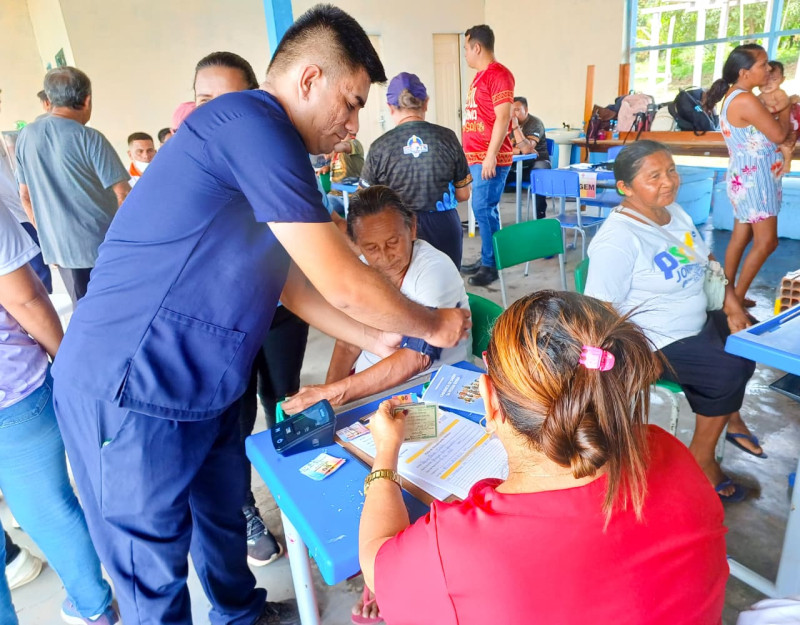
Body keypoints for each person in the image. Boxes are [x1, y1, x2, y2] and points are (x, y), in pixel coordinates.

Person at [51, 7, 470, 625]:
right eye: (350, 103)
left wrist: (380, 336)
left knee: (219, 514)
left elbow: (292, 282)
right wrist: (431, 324)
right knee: (153, 577)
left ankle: (238, 613)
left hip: (207, 382)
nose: (353, 125)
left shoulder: (280, 156)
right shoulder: (250, 123)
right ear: (307, 80)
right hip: (134, 385)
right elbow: (340, 276)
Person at [358, 290, 728, 624]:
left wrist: (386, 451)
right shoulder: (665, 449)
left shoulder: (455, 549)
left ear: (490, 399)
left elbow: (376, 565)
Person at [585, 140, 759, 502]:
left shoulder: (673, 211)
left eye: (671, 171)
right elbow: (599, 312)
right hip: (657, 340)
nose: (669, 182)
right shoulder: (617, 240)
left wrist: (732, 305)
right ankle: (701, 457)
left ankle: (729, 414)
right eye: (654, 176)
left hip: (699, 318)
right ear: (625, 188)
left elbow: (705, 257)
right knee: (728, 368)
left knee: (752, 337)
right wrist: (628, 361)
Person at [187, 49, 290, 567]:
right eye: (206, 101)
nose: (218, 114)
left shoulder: (273, 159)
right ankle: (245, 509)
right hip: (229, 326)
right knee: (234, 419)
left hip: (281, 314)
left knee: (285, 399)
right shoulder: (188, 171)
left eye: (230, 101)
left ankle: (295, 489)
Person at [0, 204, 118, 625]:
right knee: (50, 508)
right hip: (13, 393)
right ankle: (93, 609)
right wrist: (66, 366)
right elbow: (25, 298)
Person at [283, 185, 470, 414]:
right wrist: (327, 400)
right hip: (374, 389)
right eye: (371, 248)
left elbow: (415, 359)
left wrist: (336, 394)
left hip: (429, 388)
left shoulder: (433, 271)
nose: (384, 256)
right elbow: (348, 342)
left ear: (412, 228)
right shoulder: (362, 268)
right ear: (356, 243)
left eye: (393, 242)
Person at [16, 67, 131, 304]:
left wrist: (48, 235)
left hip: (59, 249)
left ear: (48, 100)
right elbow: (124, 195)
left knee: (84, 311)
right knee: (118, 307)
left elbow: (25, 196)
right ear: (87, 99)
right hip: (102, 248)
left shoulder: (26, 136)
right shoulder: (89, 137)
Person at [703, 44, 790, 308]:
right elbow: (779, 135)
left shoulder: (736, 96)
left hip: (747, 176)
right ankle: (735, 300)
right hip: (756, 180)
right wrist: (785, 108)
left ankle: (725, 296)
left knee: (742, 237)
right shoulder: (745, 99)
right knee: (767, 242)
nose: (768, 69)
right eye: (763, 65)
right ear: (744, 72)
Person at [359, 72, 472, 268]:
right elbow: (463, 194)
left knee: (404, 291)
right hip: (444, 227)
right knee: (447, 286)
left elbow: (363, 200)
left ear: (390, 107)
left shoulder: (380, 146)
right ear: (426, 103)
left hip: (398, 229)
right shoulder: (448, 137)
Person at [459, 24, 515, 286]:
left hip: (489, 158)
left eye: (466, 49)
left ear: (476, 47)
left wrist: (491, 156)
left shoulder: (499, 75)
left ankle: (491, 264)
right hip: (476, 157)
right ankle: (486, 258)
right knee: (481, 208)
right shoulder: (480, 76)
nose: (465, 54)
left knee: (484, 208)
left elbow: (503, 117)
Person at [509, 96, 550, 220]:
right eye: (511, 110)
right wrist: (519, 150)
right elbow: (503, 148)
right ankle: (485, 216)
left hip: (537, 161)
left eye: (516, 110)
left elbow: (527, 150)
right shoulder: (506, 123)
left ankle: (540, 217)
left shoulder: (535, 123)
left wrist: (515, 127)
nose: (513, 114)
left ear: (526, 110)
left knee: (539, 176)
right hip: (517, 164)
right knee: (492, 175)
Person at [758, 60, 800, 172]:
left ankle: (787, 162)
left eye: (774, 79)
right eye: (765, 80)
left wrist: (773, 109)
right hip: (772, 126)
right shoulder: (759, 97)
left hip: (787, 125)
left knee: (785, 145)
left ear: (782, 80)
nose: (768, 83)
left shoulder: (779, 93)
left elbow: (784, 102)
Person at [326, 132, 364, 215]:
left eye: (342, 133)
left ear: (351, 135)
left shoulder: (354, 143)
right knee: (320, 212)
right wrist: (327, 168)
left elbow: (344, 146)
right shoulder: (336, 152)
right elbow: (338, 166)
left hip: (352, 196)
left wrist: (328, 147)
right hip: (334, 194)